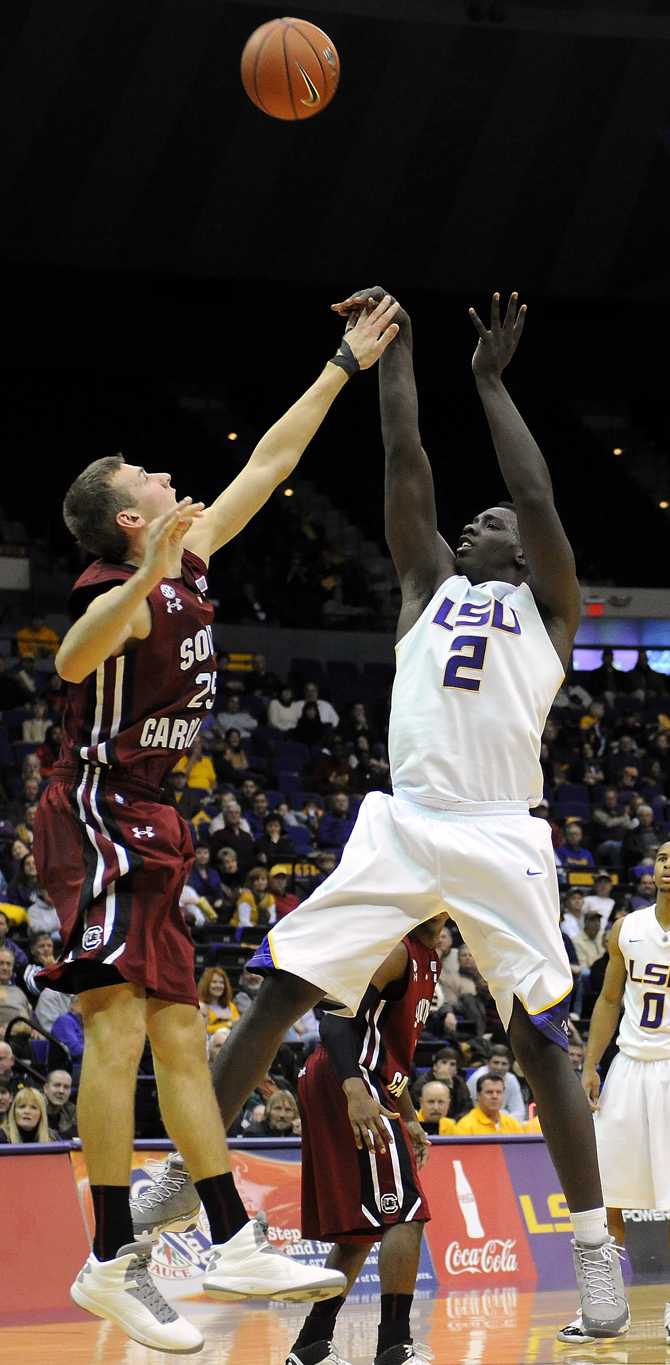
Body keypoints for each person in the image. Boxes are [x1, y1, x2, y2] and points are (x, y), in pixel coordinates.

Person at [164, 289, 626, 1341]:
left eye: (491, 524)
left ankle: (594, 1248)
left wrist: (491, 383)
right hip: (405, 818)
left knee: (541, 1034)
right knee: (282, 987)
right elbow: (404, 461)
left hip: (501, 829)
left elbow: (537, 497)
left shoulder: (547, 609)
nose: (477, 521)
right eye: (476, 521)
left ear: (523, 554)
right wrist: (401, 355)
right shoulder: (423, 584)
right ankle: (187, 1181)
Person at [29, 301, 399, 1350]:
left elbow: (272, 463)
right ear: (131, 521)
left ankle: (228, 1232)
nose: (167, 476)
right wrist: (147, 569)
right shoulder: (124, 588)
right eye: (147, 477)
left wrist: (342, 363)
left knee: (183, 1034)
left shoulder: (183, 561)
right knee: (116, 1027)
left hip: (150, 819)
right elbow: (68, 660)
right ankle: (110, 1257)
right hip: (96, 810)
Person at [286, 915, 446, 1365]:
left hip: (360, 1077)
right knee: (406, 1214)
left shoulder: (430, 959)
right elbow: (336, 1022)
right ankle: (394, 1346)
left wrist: (410, 1116)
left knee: (361, 1229)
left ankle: (311, 1345)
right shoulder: (395, 950)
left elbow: (390, 1050)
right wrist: (354, 1090)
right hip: (347, 1075)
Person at [557, 839, 670, 1346]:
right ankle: (605, 1306)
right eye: (665, 857)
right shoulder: (627, 929)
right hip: (629, 1066)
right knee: (603, 1197)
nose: (669, 866)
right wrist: (590, 1065)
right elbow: (606, 999)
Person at [466, 1043, 527, 1120]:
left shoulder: (511, 1079)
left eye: (504, 1064)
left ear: (509, 1066)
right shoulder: (477, 1078)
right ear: (487, 1063)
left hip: (503, 1123)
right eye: (496, 1063)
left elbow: (519, 1112)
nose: (499, 1067)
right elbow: (479, 1110)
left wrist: (505, 1122)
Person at [455, 1074, 526, 1136]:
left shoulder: (512, 1124)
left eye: (499, 1092)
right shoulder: (465, 1126)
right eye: (489, 1092)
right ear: (478, 1095)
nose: (495, 1096)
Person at [44, 1068, 78, 1138]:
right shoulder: (33, 1107)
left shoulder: (72, 1112)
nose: (61, 1091)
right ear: (46, 1088)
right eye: (57, 1085)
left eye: (66, 1087)